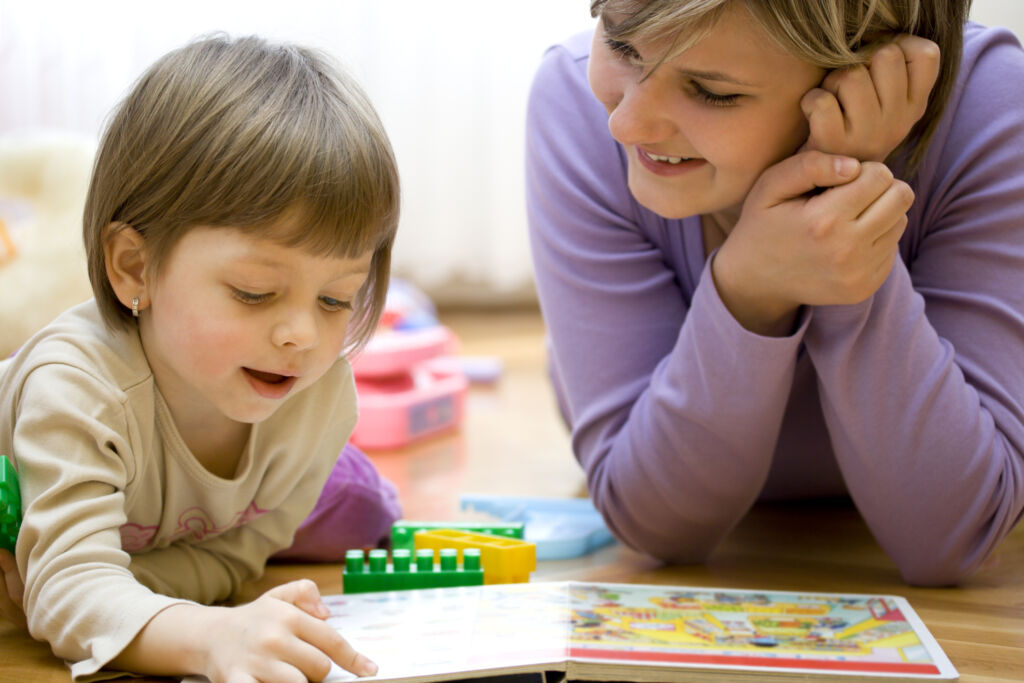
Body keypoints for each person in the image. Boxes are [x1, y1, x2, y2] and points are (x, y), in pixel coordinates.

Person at [526, 0, 1024, 586]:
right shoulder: (573, 105)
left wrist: (839, 207)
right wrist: (748, 286)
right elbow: (656, 523)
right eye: (621, 44)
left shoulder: (990, 104)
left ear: (868, 75)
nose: (625, 125)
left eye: (711, 91)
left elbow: (951, 534)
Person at [0, 34, 399, 681]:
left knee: (364, 508)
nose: (300, 333)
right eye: (254, 292)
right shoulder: (76, 386)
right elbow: (69, 586)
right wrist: (207, 634)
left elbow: (235, 556)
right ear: (135, 267)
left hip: (143, 531)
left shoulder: (321, 399)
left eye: (334, 298)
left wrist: (125, 589)